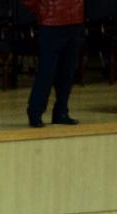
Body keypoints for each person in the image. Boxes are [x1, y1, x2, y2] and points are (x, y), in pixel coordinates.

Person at [22, 0, 83, 128]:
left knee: (67, 71)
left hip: (74, 19)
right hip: (51, 20)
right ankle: (35, 111)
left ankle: (61, 111)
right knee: (47, 71)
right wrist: (42, 10)